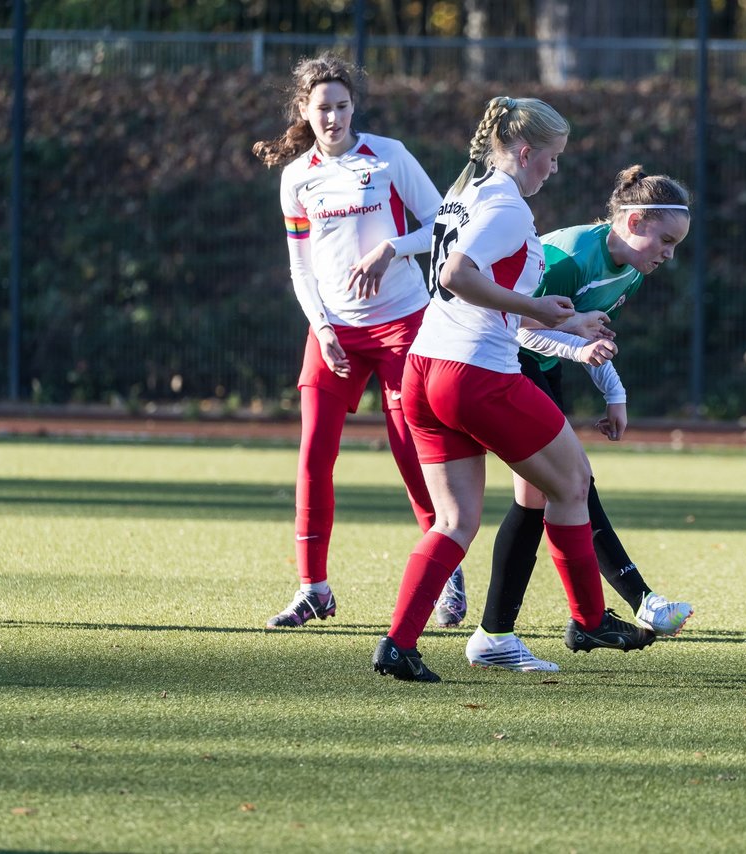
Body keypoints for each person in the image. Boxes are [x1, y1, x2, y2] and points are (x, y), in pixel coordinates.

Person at [371, 96, 656, 683]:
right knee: (573, 481)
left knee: (453, 521)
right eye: (551, 158)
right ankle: (589, 619)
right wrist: (535, 307)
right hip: (474, 373)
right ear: (525, 153)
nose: (554, 170)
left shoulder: (468, 192)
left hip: (425, 368)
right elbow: (457, 278)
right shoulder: (506, 207)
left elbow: (478, 292)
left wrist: (565, 323)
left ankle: (398, 644)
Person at [251, 52, 463, 629]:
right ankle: (313, 589)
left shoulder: (389, 156)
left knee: (409, 449)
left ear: (353, 107)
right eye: (323, 108)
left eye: (342, 106)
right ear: (305, 110)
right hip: (334, 330)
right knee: (315, 453)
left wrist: (393, 246)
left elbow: (445, 224)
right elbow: (301, 267)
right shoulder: (298, 178)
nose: (334, 117)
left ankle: (444, 573)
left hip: (403, 325)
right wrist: (322, 328)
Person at [461, 166, 695, 672]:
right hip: (506, 361)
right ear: (633, 221)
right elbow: (517, 325)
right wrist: (577, 351)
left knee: (539, 496)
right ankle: (632, 602)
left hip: (545, 367)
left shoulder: (631, 267)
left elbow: (590, 334)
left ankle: (496, 632)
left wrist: (615, 391)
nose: (669, 254)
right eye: (667, 240)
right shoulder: (568, 257)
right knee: (571, 481)